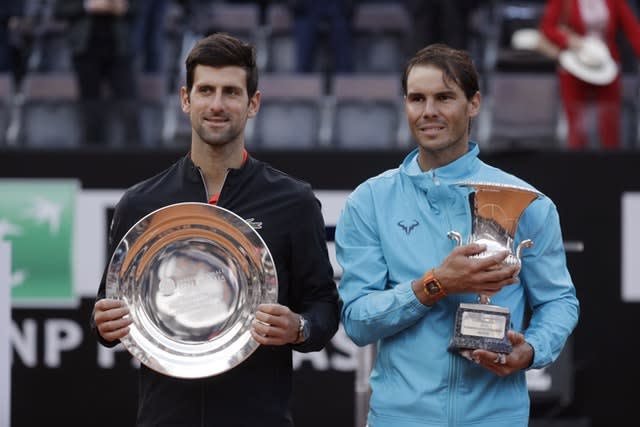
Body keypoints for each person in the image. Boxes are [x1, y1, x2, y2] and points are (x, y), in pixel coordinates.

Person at [92, 32, 340, 426]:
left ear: (252, 103)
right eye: (205, 90)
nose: (217, 105)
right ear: (185, 99)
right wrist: (103, 323)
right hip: (165, 417)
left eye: (231, 92)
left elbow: (324, 307)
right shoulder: (140, 204)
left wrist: (299, 327)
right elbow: (110, 309)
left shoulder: (293, 201)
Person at [335, 43, 579, 427]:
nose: (428, 112)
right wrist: (435, 285)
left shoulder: (528, 202)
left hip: (497, 416)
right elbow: (358, 321)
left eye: (444, 97)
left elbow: (559, 301)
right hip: (400, 418)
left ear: (474, 103)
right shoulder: (370, 201)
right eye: (417, 98)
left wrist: (531, 350)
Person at [539, 0, 640, 150]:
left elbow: (633, 30)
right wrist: (568, 40)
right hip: (575, 64)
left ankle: (611, 165)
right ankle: (577, 165)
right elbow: (547, 28)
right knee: (577, 124)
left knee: (610, 122)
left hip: (606, 65)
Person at [54, 0, 140, 146]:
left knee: (128, 105)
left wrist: (123, 7)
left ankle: (136, 156)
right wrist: (89, 6)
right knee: (90, 107)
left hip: (119, 49)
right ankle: (92, 155)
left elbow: (137, 7)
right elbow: (60, 9)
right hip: (85, 49)